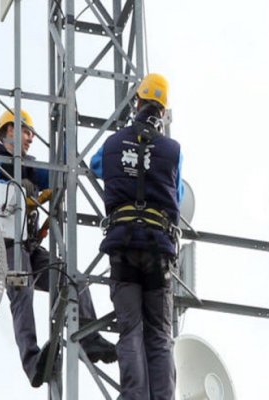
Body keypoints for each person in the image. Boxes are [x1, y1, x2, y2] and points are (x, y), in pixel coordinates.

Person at [0, 108, 116, 388]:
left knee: (71, 275)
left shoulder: (28, 165)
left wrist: (67, 133)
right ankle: (33, 362)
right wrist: (20, 195)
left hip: (27, 244)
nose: (30, 138)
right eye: (26, 131)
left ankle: (89, 336)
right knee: (22, 290)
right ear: (10, 130)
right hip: (4, 247)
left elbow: (57, 175)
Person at [90, 73, 183, 400]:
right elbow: (178, 192)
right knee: (158, 334)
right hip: (158, 249)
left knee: (131, 330)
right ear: (163, 111)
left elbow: (97, 166)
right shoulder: (172, 150)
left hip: (123, 246)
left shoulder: (113, 144)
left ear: (137, 103)